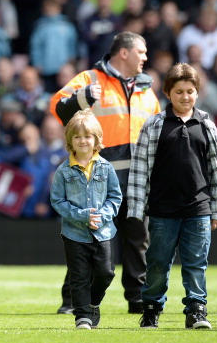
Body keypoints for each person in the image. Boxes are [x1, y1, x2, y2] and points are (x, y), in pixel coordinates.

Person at [49, 31, 161, 314]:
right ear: (123, 53)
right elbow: (56, 107)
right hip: (97, 175)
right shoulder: (90, 79)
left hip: (137, 176)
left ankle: (138, 300)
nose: (146, 57)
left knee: (138, 239)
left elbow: (158, 129)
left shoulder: (146, 87)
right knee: (88, 236)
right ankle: (73, 301)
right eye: (142, 51)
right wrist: (81, 99)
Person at [128, 63, 217, 329]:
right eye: (179, 92)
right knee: (157, 263)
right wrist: (136, 209)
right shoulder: (154, 125)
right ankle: (151, 309)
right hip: (163, 210)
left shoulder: (207, 124)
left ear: (197, 93)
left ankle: (196, 311)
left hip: (198, 207)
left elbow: (216, 168)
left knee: (196, 264)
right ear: (168, 93)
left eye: (190, 91)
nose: (184, 97)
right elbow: (141, 169)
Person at [50, 109, 122, 329]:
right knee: (79, 276)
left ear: (97, 139)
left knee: (106, 273)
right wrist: (81, 216)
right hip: (74, 233)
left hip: (103, 231)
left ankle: (93, 303)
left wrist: (103, 215)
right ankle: (82, 316)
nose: (83, 141)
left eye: (88, 136)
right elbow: (58, 201)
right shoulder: (63, 171)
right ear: (70, 140)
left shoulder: (106, 167)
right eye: (77, 136)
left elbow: (115, 197)